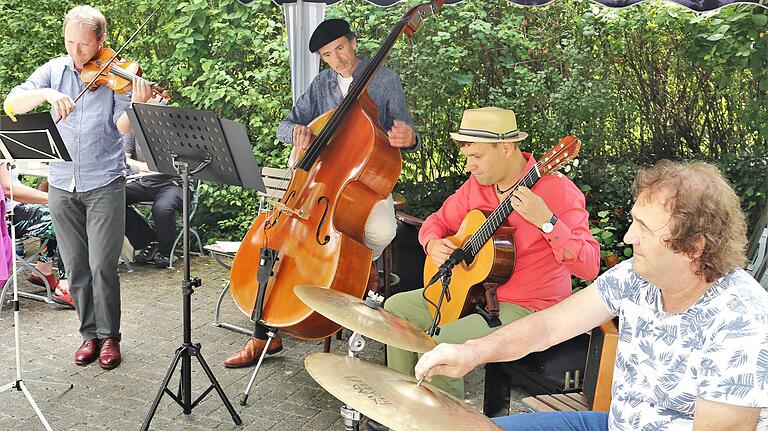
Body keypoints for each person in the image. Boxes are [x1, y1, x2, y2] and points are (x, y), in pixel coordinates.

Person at [415, 160, 768, 430]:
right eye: (634, 222)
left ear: (694, 247)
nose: (629, 238)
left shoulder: (740, 319)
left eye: (644, 228)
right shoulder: (635, 277)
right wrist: (471, 351)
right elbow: (549, 327)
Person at [376, 107, 599, 418]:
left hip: (528, 305)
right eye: (468, 156)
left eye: (477, 156)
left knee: (441, 342)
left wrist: (547, 221)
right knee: (396, 310)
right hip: (477, 294)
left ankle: (443, 423)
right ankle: (405, 410)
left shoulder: (557, 190)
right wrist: (433, 243)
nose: (470, 165)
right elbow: (437, 221)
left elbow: (589, 266)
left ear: (506, 148)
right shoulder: (478, 185)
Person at [223, 18, 420, 368]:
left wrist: (410, 138)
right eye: (328, 55)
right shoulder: (321, 83)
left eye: (340, 49)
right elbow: (286, 125)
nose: (337, 59)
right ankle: (261, 333)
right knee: (274, 244)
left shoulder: (385, 81)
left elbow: (402, 132)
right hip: (318, 185)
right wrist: (298, 132)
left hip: (363, 180)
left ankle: (364, 269)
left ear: (354, 42)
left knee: (381, 231)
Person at [3, 5, 155, 370]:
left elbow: (120, 128)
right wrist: (46, 96)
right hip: (61, 183)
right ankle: (89, 334)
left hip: (104, 181)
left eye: (85, 46)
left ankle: (110, 337)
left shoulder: (116, 73)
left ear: (101, 41)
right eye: (70, 42)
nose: (77, 52)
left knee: (103, 265)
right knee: (75, 266)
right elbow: (12, 102)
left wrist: (137, 103)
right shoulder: (53, 70)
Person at [0, 166, 73, 307]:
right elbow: (8, 189)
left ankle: (43, 268)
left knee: (57, 214)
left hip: (15, 209)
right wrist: (53, 199)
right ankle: (66, 285)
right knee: (67, 216)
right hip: (8, 217)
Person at [123, 126, 182, 269]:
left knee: (162, 208)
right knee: (112, 197)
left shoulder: (172, 125)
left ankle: (166, 252)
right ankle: (148, 241)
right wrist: (143, 166)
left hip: (174, 183)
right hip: (145, 180)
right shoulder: (133, 127)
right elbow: (123, 156)